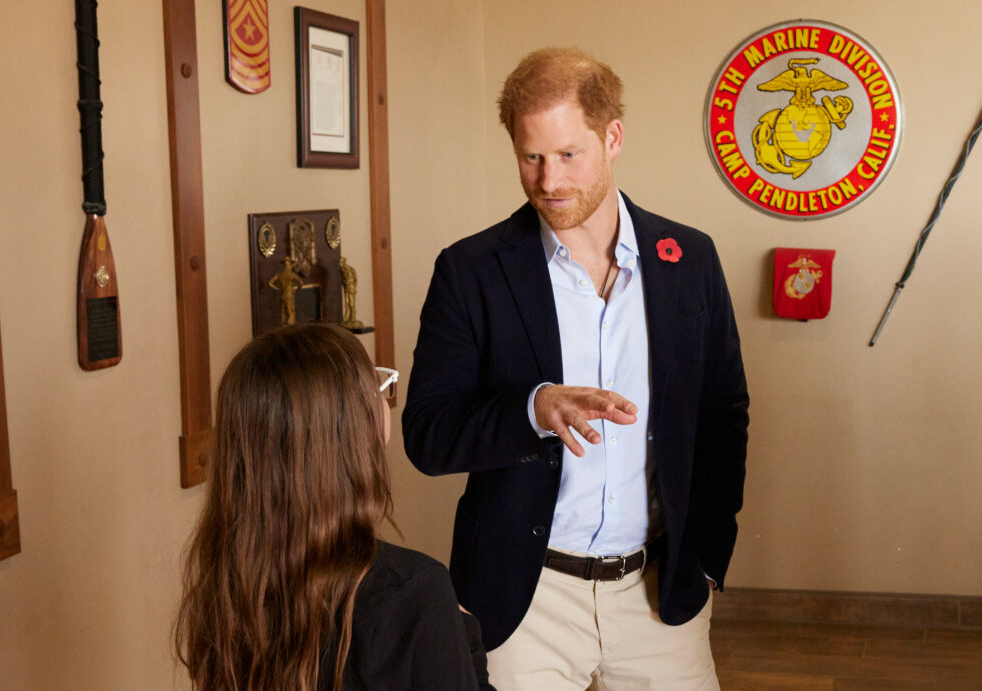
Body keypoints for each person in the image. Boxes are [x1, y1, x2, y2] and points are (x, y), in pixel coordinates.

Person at [403, 47, 749, 690]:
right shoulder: (470, 270)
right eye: (530, 157)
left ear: (612, 137)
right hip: (523, 602)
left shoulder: (690, 259)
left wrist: (706, 558)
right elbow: (426, 434)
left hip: (658, 597)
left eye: (568, 155)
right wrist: (532, 410)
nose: (549, 180)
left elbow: (723, 415)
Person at [175, 323, 493, 690]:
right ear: (352, 430)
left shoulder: (231, 580)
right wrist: (467, 641)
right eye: (376, 388)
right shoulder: (411, 589)